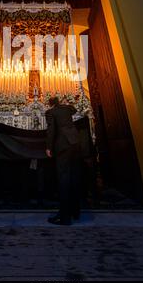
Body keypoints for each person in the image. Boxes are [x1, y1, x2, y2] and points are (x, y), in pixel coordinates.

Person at [45, 96, 81, 225]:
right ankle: (75, 212)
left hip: (63, 145)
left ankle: (64, 217)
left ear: (50, 104)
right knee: (74, 176)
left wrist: (49, 147)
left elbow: (51, 130)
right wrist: (65, 103)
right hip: (75, 142)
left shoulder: (51, 112)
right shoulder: (67, 108)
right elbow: (75, 110)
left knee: (63, 179)